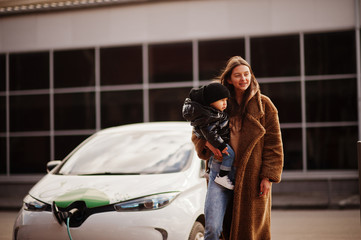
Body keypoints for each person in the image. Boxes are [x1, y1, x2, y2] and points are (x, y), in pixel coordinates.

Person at [191, 56, 284, 240]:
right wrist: (207, 144)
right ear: (228, 80)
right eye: (238, 75)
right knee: (214, 228)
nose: (243, 79)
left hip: (252, 177)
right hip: (219, 174)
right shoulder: (219, 103)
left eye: (246, 74)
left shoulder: (265, 106)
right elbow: (197, 130)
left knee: (248, 231)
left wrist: (268, 176)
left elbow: (274, 145)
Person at [182, 82, 235, 190]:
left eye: (226, 100)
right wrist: (221, 145)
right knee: (230, 154)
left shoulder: (210, 112)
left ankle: (209, 172)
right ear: (211, 101)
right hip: (219, 143)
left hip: (217, 144)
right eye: (221, 100)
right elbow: (209, 133)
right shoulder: (209, 116)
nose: (225, 104)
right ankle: (222, 176)